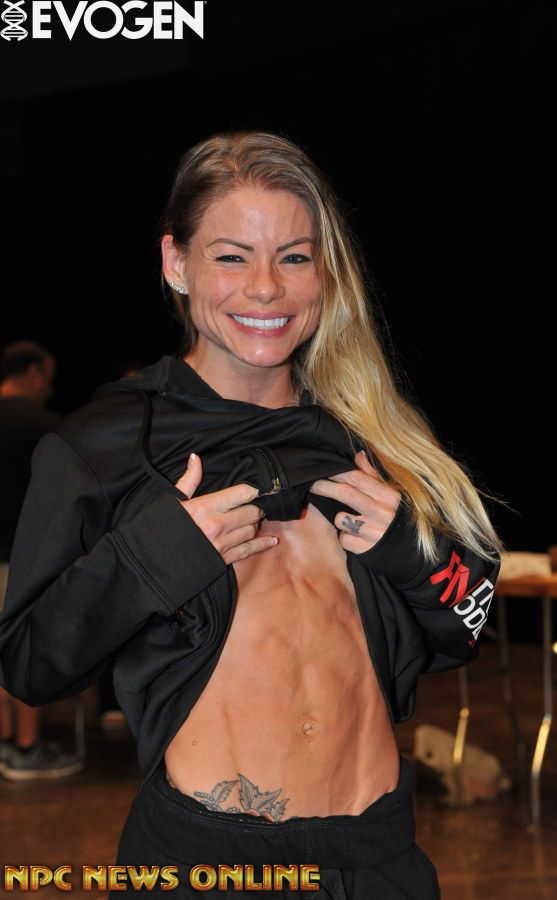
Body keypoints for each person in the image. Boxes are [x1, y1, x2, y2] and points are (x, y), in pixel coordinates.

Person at [0, 132, 503, 897]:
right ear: (176, 263)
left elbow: (469, 626)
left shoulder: (370, 435)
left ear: (325, 271)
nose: (265, 288)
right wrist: (152, 556)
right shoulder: (104, 447)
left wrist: (410, 551)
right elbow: (30, 665)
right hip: (210, 864)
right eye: (232, 257)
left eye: (294, 257)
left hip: (378, 859)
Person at [0, 340, 84, 780]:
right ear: (32, 372)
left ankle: (7, 745)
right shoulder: (42, 426)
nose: (50, 386)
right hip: (19, 558)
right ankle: (27, 748)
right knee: (20, 650)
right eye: (48, 376)